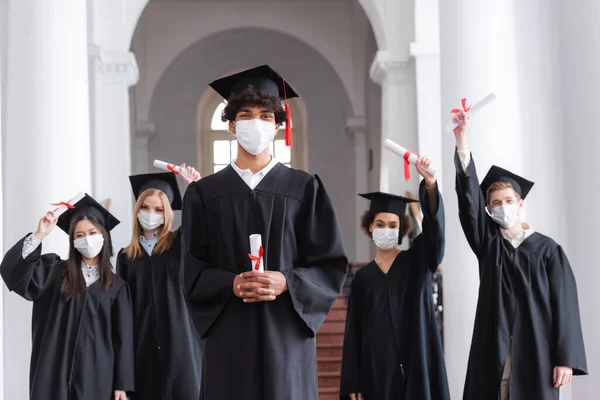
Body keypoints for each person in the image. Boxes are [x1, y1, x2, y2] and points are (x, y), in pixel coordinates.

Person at [181, 65, 348, 400]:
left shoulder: (305, 188)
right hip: (230, 333)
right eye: (245, 115)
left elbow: (329, 265)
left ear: (277, 125)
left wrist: (286, 281)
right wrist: (231, 283)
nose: (255, 123)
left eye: (265, 116)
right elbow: (192, 269)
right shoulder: (204, 193)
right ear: (231, 124)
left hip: (285, 334)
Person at [452, 110, 587, 400]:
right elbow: (468, 205)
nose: (503, 206)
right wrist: (462, 142)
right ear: (488, 210)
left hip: (537, 354)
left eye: (508, 201)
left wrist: (565, 357)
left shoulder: (548, 250)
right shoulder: (489, 245)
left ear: (521, 203)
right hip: (494, 353)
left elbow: (564, 305)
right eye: (495, 203)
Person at [0, 194, 134, 400]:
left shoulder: (116, 287)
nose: (86, 239)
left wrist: (121, 386)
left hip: (96, 376)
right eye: (79, 235)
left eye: (92, 232)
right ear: (72, 241)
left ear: (104, 236)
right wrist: (39, 234)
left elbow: (122, 340)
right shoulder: (54, 273)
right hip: (54, 371)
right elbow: (13, 273)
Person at [340, 157, 450, 400]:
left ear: (402, 229)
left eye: (392, 225)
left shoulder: (418, 262)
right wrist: (352, 381)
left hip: (417, 366)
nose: (386, 230)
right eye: (380, 224)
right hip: (376, 373)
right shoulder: (363, 278)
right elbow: (353, 335)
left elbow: (435, 235)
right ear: (370, 227)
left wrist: (430, 185)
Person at [117, 166, 203, 400]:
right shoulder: (126, 257)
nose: (150, 213)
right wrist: (122, 379)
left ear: (167, 214)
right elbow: (122, 314)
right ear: (137, 210)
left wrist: (195, 188)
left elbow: (203, 223)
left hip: (181, 347)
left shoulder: (180, 245)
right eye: (145, 207)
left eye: (158, 209)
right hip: (142, 353)